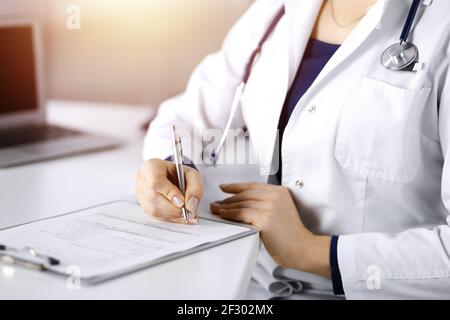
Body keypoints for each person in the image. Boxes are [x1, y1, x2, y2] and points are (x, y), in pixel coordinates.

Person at [136, 0, 450, 299]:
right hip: (254, 283)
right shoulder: (275, 11)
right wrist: (167, 167)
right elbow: (185, 116)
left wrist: (311, 251)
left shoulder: (441, 28)